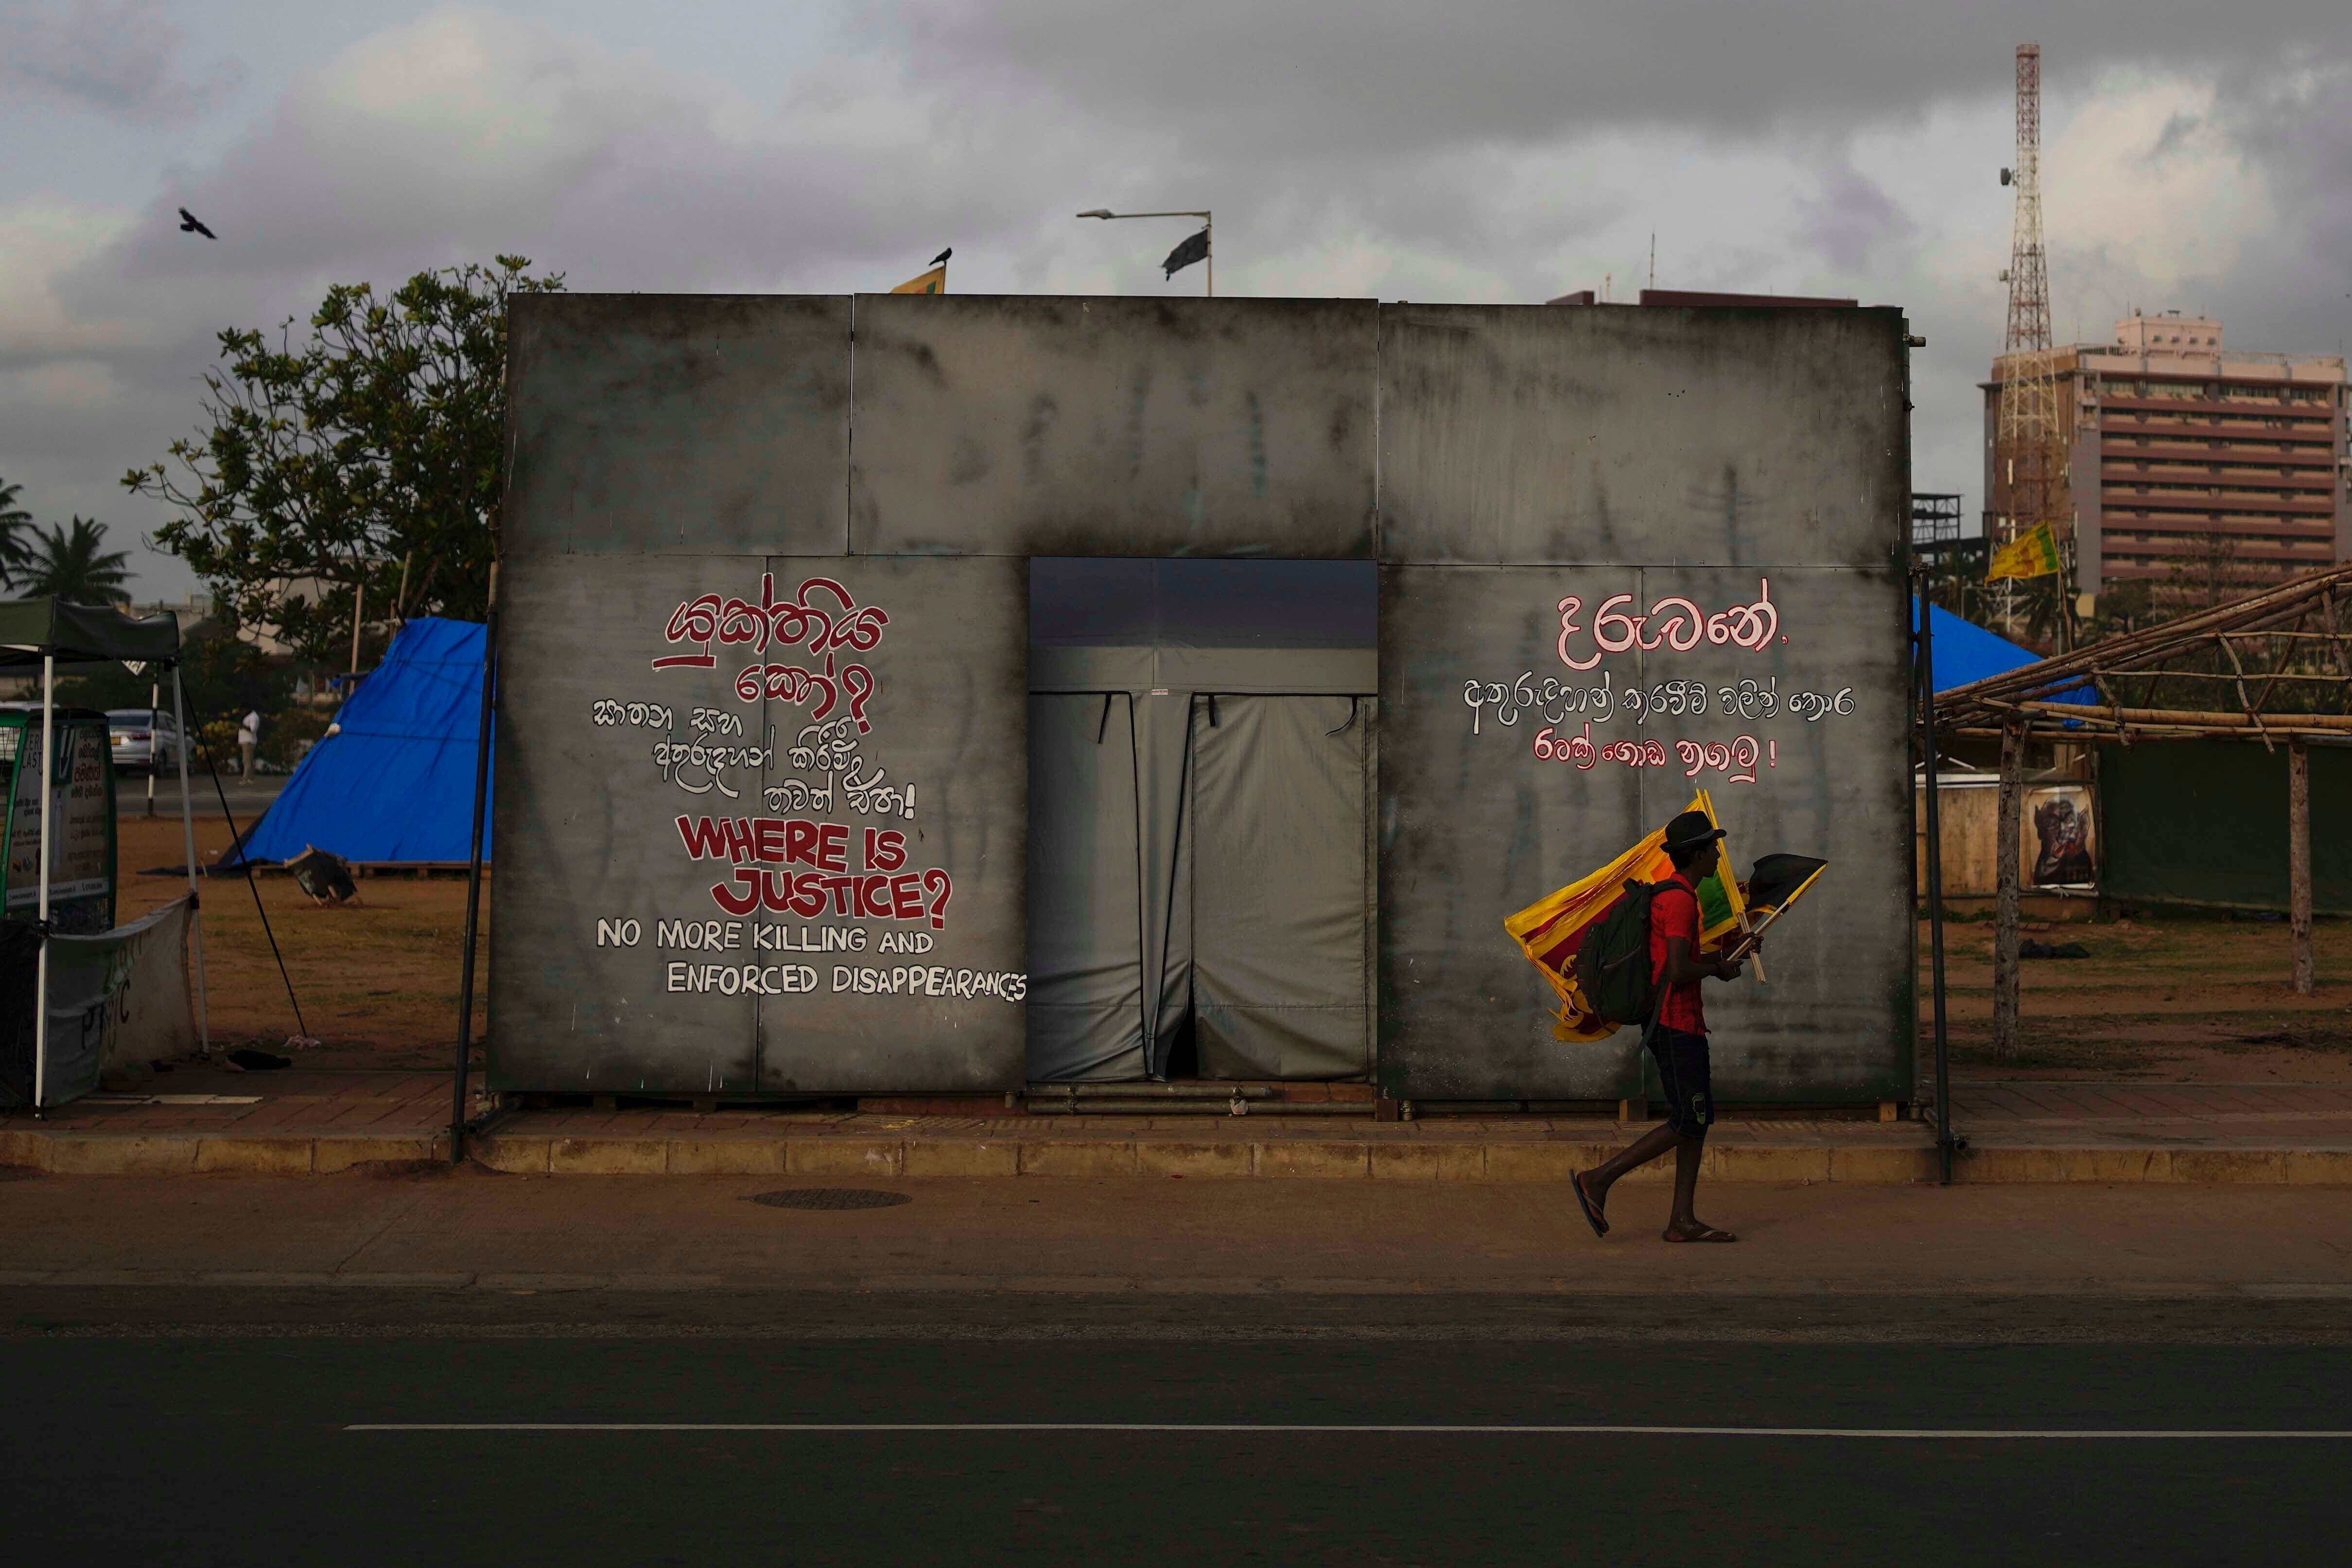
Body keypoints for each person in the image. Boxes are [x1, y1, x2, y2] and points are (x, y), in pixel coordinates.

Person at [1573, 810, 1751, 1244]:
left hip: (1680, 1023)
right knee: (1689, 1118)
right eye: (1713, 849)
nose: (1718, 856)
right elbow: (1676, 969)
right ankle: (1598, 1179)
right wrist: (1718, 969)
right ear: (1697, 855)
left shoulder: (1673, 895)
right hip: (1675, 1025)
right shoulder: (1680, 901)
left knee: (1696, 1120)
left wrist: (1726, 956)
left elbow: (1678, 959)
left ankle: (1682, 1221)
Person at [238, 709, 261, 782]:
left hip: (248, 742)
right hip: (246, 741)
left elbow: (252, 730)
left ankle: (245, 779)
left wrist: (243, 726)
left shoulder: (253, 717)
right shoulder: (249, 717)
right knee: (250, 761)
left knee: (246, 761)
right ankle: (251, 778)